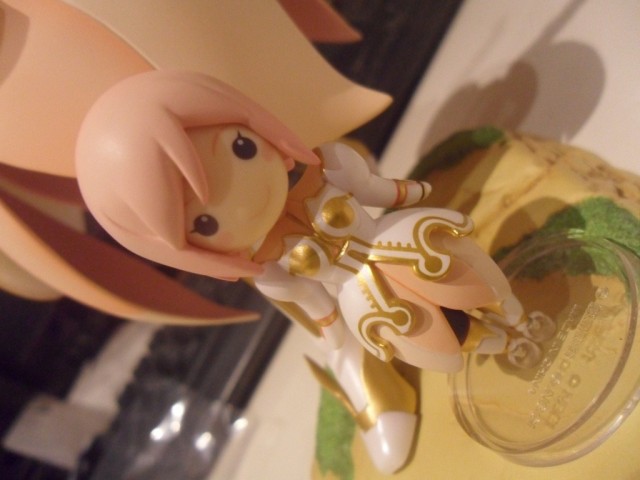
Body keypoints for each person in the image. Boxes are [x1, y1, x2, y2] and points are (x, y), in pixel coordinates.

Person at [76, 70, 551, 474]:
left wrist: (407, 193)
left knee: (464, 271)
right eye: (205, 224)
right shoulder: (266, 267)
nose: (244, 200)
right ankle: (477, 350)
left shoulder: (328, 167)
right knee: (425, 337)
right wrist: (333, 333)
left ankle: (511, 312)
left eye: (241, 148)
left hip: (392, 240)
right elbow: (312, 302)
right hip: (360, 296)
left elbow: (375, 188)